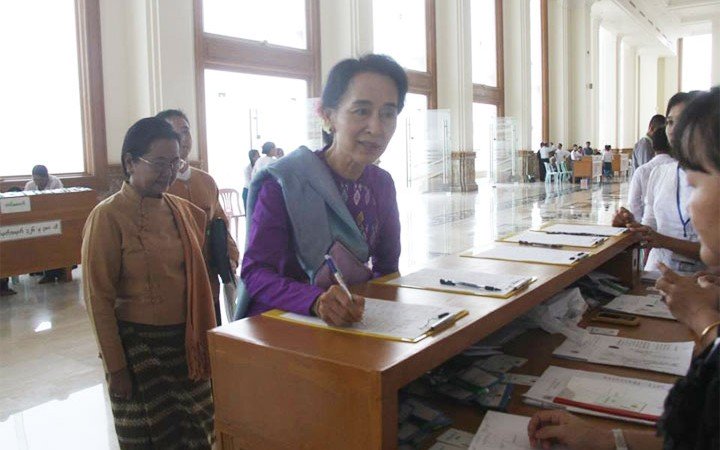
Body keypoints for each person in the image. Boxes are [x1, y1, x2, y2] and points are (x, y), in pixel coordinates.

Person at [527, 86, 719, 450]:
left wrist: (703, 320)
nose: (692, 205)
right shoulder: (654, 171)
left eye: (696, 185)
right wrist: (603, 438)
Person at [235, 54, 405, 325]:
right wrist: (314, 300)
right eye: (361, 111)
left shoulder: (381, 184)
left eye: (388, 113)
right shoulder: (285, 182)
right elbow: (255, 273)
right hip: (284, 324)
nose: (376, 128)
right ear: (327, 116)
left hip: (353, 322)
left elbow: (387, 270)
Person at [82, 117, 216, 449]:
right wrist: (117, 368)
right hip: (139, 351)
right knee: (150, 438)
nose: (168, 172)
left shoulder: (182, 211)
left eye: (175, 163)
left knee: (200, 433)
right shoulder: (108, 217)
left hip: (185, 346)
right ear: (130, 162)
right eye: (158, 163)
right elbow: (98, 299)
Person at [157, 109, 239, 324]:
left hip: (208, 281)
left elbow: (220, 222)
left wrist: (230, 256)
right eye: (173, 134)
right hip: (172, 286)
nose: (182, 139)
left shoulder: (206, 181)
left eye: (185, 132)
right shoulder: (155, 183)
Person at [612, 91, 703, 272]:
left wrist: (663, 240)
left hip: (702, 281)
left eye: (684, 121)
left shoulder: (712, 179)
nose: (674, 129)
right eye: (670, 122)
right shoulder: (659, 174)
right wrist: (632, 225)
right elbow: (650, 227)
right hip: (658, 272)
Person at [626, 126, 673, 220]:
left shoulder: (641, 171)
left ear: (653, 146)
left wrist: (640, 224)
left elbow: (633, 202)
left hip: (645, 225)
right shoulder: (679, 169)